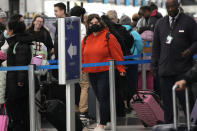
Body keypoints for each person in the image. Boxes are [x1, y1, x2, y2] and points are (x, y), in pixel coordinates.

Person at [151, 0, 197, 124]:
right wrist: (154, 65)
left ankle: (192, 124)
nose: (170, 9)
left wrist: (190, 50)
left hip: (182, 70)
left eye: (173, 6)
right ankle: (170, 125)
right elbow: (156, 47)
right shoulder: (160, 23)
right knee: (167, 103)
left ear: (178, 6)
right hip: (165, 70)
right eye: (168, 7)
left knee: (187, 101)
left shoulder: (188, 21)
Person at [82, 14, 125, 131]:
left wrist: (121, 68)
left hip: (105, 72)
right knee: (100, 98)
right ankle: (108, 119)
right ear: (88, 25)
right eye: (91, 23)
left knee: (103, 97)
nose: (93, 25)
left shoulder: (108, 36)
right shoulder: (86, 39)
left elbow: (117, 53)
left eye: (96, 22)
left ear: (100, 23)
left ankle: (101, 124)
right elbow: (82, 55)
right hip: (91, 72)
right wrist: (82, 68)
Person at [4, 20, 34, 131]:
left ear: (12, 30)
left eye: (7, 29)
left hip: (17, 84)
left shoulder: (19, 44)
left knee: (17, 110)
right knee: (20, 110)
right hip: (16, 82)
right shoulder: (19, 42)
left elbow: (21, 62)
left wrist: (20, 80)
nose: (6, 31)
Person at [119, 15, 143, 112]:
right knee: (132, 82)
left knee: (122, 83)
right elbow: (140, 46)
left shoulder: (117, 32)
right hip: (132, 60)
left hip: (120, 61)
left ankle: (122, 104)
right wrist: (136, 53)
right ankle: (131, 104)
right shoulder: (134, 33)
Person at [70, 6, 90, 116]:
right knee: (84, 85)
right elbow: (82, 43)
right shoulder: (80, 25)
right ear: (81, 15)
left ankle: (72, 107)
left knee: (70, 84)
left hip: (67, 60)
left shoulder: (64, 23)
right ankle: (83, 109)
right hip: (80, 60)